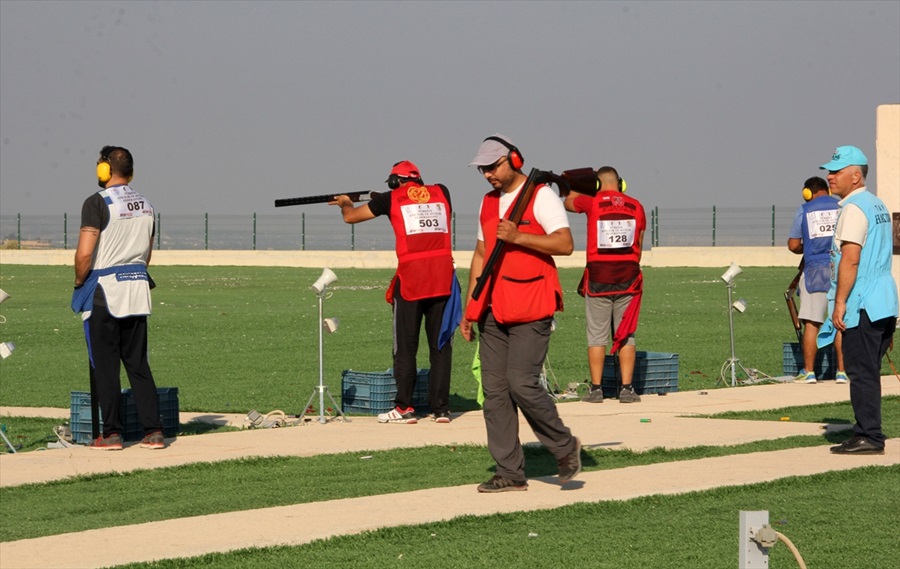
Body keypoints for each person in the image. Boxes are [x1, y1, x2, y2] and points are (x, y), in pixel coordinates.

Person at [460, 134, 581, 492]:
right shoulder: (487, 203)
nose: (487, 174)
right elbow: (481, 256)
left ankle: (564, 446)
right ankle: (509, 473)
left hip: (531, 305)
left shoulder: (541, 196)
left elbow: (565, 244)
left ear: (514, 159)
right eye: (482, 169)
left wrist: (519, 237)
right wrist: (470, 309)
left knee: (521, 383)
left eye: (492, 166)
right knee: (494, 393)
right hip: (493, 310)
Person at [331, 161, 458, 424]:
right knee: (441, 346)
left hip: (412, 280)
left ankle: (404, 407)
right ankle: (441, 409)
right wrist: (383, 200)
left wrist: (345, 202)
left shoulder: (391, 199)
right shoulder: (442, 192)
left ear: (393, 181)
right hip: (443, 278)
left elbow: (350, 217)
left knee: (405, 348)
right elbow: (417, 204)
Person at [71, 146, 164, 450]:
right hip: (137, 290)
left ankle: (111, 434)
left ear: (105, 170)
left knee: (106, 365)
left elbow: (85, 253)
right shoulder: (148, 205)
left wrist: (79, 280)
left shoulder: (96, 202)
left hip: (104, 292)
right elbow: (147, 255)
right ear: (131, 171)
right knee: (138, 364)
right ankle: (153, 431)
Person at [816, 146, 897, 455]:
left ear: (855, 175)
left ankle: (869, 436)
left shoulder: (853, 208)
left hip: (862, 302)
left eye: (836, 171)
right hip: (884, 300)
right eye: (829, 170)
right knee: (869, 370)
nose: (830, 176)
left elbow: (850, 259)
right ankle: (867, 431)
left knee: (860, 371)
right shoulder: (877, 204)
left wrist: (839, 305)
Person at [563, 167, 646, 403]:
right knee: (626, 335)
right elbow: (639, 241)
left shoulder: (592, 202)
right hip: (629, 279)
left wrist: (578, 186)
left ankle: (597, 390)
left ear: (597, 185)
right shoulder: (636, 206)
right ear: (620, 183)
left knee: (596, 336)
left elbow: (568, 203)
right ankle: (627, 389)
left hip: (598, 278)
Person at [787, 176, 847, 384]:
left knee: (812, 323)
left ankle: (810, 372)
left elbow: (794, 245)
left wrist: (810, 248)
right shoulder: (842, 207)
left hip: (813, 271)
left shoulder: (804, 210)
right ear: (827, 190)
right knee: (841, 323)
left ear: (807, 193)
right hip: (841, 269)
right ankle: (841, 371)